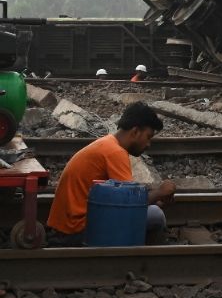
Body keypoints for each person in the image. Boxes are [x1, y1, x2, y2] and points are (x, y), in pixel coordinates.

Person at [47, 102, 176, 247]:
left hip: (66, 228)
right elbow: (130, 202)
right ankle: (140, 263)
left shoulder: (107, 144)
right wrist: (159, 192)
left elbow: (119, 198)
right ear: (135, 132)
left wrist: (155, 199)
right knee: (156, 216)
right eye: (148, 137)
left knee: (152, 210)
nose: (148, 144)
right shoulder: (115, 152)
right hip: (76, 231)